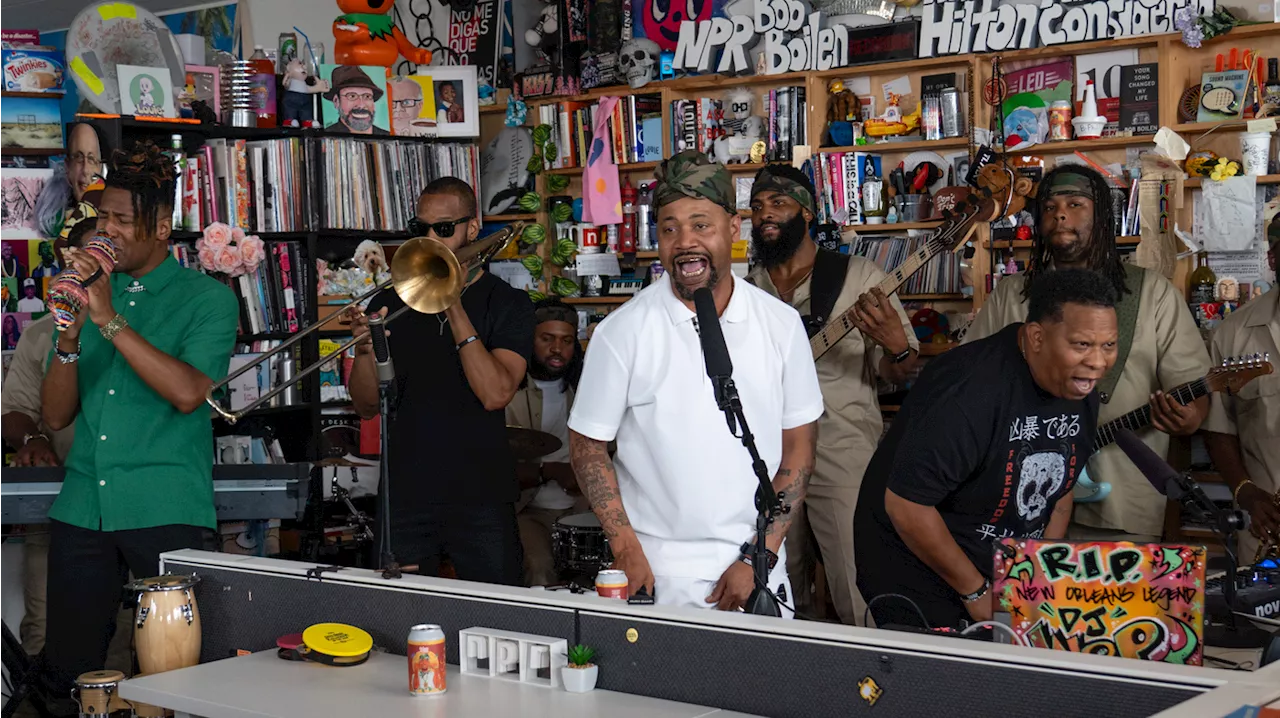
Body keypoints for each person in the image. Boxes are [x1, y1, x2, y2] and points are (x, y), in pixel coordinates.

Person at [568, 150, 823, 613]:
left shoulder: (781, 326)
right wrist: (625, 548)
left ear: (733, 229)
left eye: (701, 224)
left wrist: (760, 554)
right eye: (669, 228)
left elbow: (799, 447)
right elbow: (587, 445)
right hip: (653, 572)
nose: (685, 242)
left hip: (758, 571)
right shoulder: (620, 333)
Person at [37, 142, 238, 710]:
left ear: (161, 227)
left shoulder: (207, 300)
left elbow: (187, 392)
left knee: (178, 675)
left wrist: (108, 319)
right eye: (103, 217)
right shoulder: (91, 294)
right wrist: (70, 334)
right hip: (83, 507)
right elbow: (54, 416)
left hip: (164, 504)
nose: (108, 230)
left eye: (123, 220)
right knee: (70, 674)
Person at [963, 165, 1211, 543]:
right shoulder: (1010, 295)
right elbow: (970, 385)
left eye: (1075, 203)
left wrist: (1187, 418)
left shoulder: (1152, 293)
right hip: (1019, 498)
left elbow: (1194, 391)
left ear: (1102, 217)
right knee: (1025, 602)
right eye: (1050, 206)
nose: (1060, 213)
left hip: (1122, 503)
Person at [857, 269, 1116, 630]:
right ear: (1037, 337)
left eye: (1109, 345)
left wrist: (1035, 573)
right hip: (915, 570)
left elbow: (1061, 488)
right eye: (1082, 345)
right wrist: (977, 595)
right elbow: (907, 505)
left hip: (995, 569)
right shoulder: (969, 389)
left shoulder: (1079, 386)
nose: (1098, 362)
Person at [746, 164, 918, 625]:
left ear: (805, 211)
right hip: (766, 459)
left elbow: (898, 372)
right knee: (777, 582)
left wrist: (897, 346)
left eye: (778, 204)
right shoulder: (745, 290)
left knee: (856, 581)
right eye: (757, 206)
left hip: (842, 452)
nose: (766, 215)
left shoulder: (858, 276)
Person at [347, 177, 534, 585]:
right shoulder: (389, 301)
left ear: (473, 227)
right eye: (421, 229)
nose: (431, 239)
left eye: (444, 228)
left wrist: (453, 304)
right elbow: (364, 406)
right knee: (400, 621)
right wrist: (364, 352)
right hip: (406, 493)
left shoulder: (509, 304)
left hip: (481, 493)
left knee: (495, 615)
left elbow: (496, 393)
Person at [0, 216, 98, 662]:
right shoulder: (41, 335)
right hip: (57, 505)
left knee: (119, 635)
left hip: (128, 504)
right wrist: (34, 437)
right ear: (66, 261)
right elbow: (13, 411)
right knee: (44, 628)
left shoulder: (134, 330)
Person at [1204, 221, 1280, 563]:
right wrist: (1244, 491)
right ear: (1273, 258)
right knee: (1262, 617)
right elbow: (1218, 427)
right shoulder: (1231, 334)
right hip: (1266, 527)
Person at [507, 299, 587, 586]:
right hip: (529, 511)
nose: (557, 349)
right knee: (538, 567)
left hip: (583, 507)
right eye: (547, 339)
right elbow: (494, 466)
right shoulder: (508, 391)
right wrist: (549, 471)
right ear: (530, 339)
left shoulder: (587, 389)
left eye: (566, 341)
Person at [324, 66, 389, 135]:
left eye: (367, 96)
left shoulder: (387, 136)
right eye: (352, 96)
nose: (361, 105)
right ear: (336, 101)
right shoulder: (327, 136)